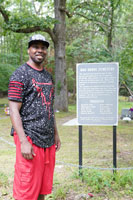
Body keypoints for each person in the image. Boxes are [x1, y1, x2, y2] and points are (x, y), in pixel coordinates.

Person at [8, 34, 61, 200]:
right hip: (29, 137)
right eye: (35, 47)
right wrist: (23, 141)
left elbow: (49, 107)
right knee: (26, 188)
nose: (40, 50)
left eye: (43, 47)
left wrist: (56, 133)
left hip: (47, 139)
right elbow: (13, 109)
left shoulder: (47, 76)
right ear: (28, 50)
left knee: (42, 187)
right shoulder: (20, 74)